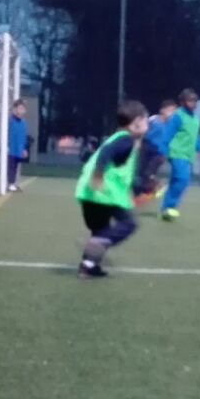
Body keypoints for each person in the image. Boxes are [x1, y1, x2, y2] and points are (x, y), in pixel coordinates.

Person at [76, 101, 149, 278]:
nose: (148, 124)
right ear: (136, 122)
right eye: (146, 120)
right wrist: (98, 176)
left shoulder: (117, 138)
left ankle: (88, 266)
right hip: (104, 194)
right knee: (129, 224)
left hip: (89, 194)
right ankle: (93, 248)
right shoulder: (126, 140)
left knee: (101, 231)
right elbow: (106, 153)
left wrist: (136, 189)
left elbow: (118, 168)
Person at [156, 88, 200, 221]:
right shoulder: (178, 116)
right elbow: (168, 133)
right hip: (177, 152)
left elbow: (195, 135)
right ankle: (170, 206)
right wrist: (162, 150)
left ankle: (165, 209)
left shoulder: (195, 119)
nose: (193, 103)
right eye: (189, 100)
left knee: (177, 180)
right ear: (182, 102)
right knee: (183, 179)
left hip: (187, 154)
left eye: (194, 100)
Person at [133, 99, 176, 205]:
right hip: (146, 147)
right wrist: (138, 142)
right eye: (170, 110)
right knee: (139, 173)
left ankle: (158, 186)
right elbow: (143, 131)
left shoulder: (171, 125)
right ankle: (143, 193)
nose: (171, 114)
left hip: (158, 152)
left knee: (149, 172)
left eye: (173, 111)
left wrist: (166, 153)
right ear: (162, 110)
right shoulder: (153, 120)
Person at [7, 99, 30, 192]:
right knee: (11, 166)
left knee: (15, 167)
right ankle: (10, 183)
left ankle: (13, 183)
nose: (21, 110)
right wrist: (6, 146)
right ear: (15, 109)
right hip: (11, 149)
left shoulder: (23, 123)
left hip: (19, 150)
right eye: (19, 108)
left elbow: (24, 137)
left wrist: (24, 149)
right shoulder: (10, 121)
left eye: (23, 109)